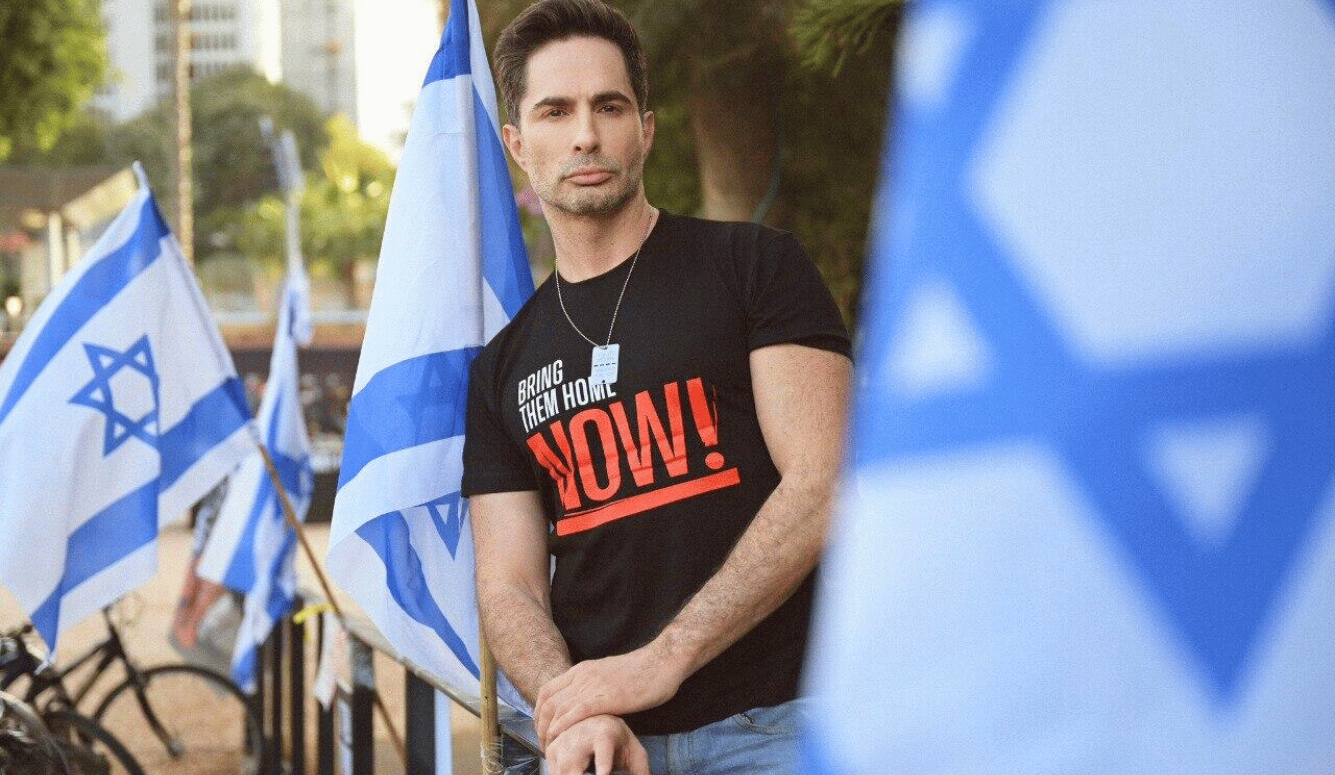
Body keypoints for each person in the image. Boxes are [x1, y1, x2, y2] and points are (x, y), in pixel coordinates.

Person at [461, 1, 852, 773]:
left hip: (775, 725)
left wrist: (663, 658)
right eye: (555, 111)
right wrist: (572, 706)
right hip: (600, 744)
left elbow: (824, 482)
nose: (585, 135)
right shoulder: (500, 367)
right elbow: (507, 585)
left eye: (608, 107)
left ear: (645, 129)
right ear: (516, 143)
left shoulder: (754, 267)